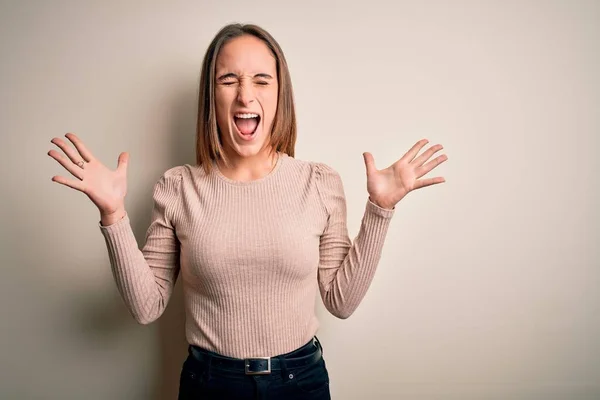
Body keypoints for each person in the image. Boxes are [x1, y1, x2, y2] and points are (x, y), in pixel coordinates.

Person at [47, 23, 447, 400]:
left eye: (261, 80)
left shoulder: (319, 182)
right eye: (228, 80)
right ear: (212, 96)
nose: (245, 95)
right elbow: (145, 306)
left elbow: (341, 301)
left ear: (279, 95)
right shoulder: (177, 187)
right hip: (209, 384)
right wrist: (113, 214)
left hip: (301, 382)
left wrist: (380, 208)